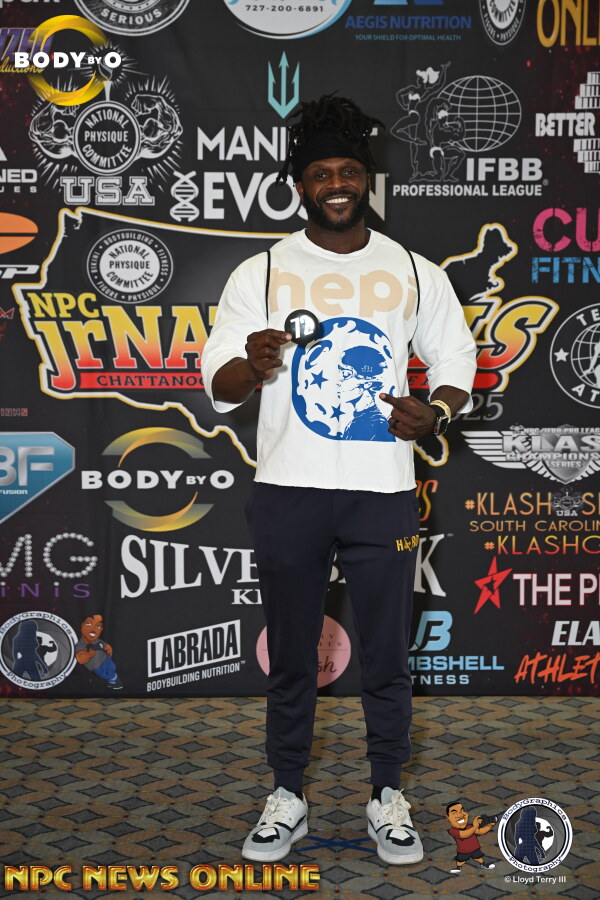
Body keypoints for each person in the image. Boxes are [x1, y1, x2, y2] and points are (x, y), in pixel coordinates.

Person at [201, 93, 477, 865]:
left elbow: (457, 360)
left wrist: (436, 410)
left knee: (387, 655)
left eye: (347, 171)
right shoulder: (262, 270)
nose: (335, 184)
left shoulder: (412, 270)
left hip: (381, 492)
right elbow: (216, 381)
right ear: (299, 184)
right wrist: (250, 366)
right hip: (288, 490)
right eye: (320, 173)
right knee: (292, 656)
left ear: (366, 180)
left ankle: (388, 795)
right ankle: (287, 795)